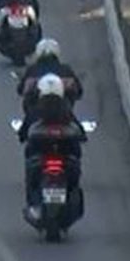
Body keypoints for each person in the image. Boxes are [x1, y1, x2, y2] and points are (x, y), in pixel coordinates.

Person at [19, 73, 86, 211]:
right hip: (61, 162)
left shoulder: (35, 110)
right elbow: (79, 135)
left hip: (48, 163)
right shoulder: (66, 110)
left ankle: (36, 204)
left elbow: (24, 133)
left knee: (32, 177)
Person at [16, 38, 83, 108]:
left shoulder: (32, 69)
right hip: (63, 111)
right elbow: (79, 92)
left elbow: (20, 90)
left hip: (37, 112)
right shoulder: (65, 68)